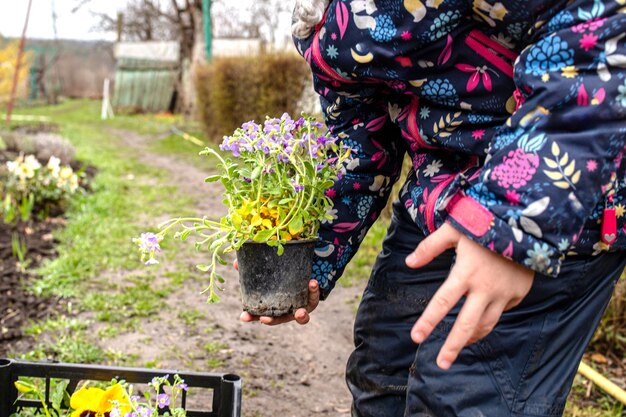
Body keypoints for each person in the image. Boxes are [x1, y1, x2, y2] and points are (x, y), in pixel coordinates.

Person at [241, 0, 626, 415]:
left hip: (555, 202)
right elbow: (359, 148)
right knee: (383, 371)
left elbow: (599, 41)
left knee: (460, 395)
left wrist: (509, 227)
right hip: (439, 194)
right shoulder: (319, 24)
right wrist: (307, 261)